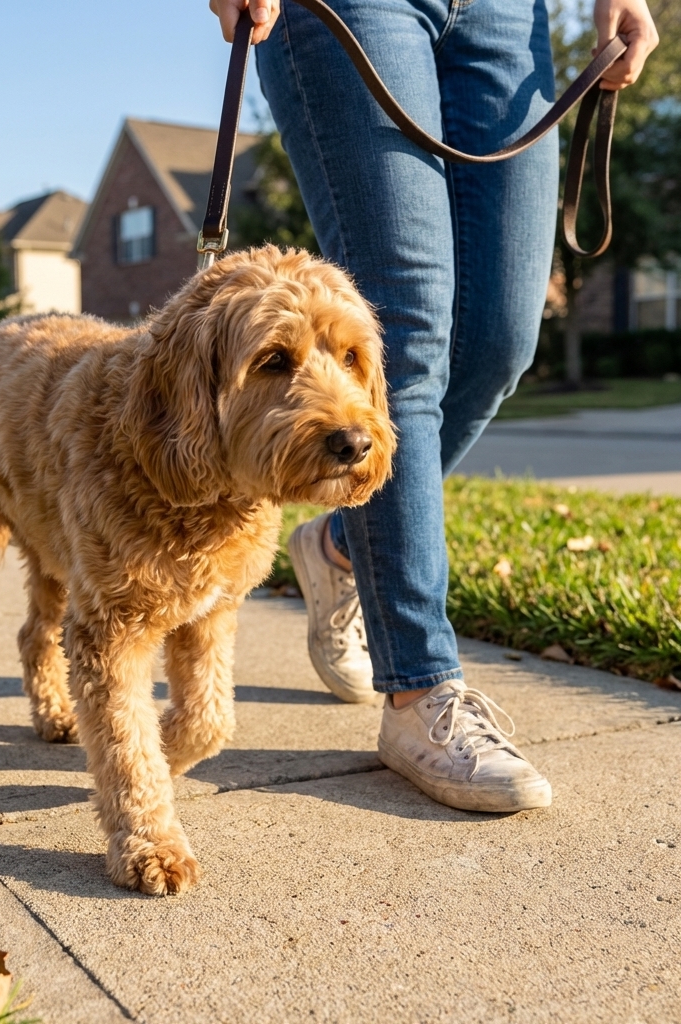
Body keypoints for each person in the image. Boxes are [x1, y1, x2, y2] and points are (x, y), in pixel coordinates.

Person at [210, 0, 658, 812]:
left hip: (508, 15)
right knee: (402, 336)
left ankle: (344, 543)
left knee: (498, 340)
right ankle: (421, 694)